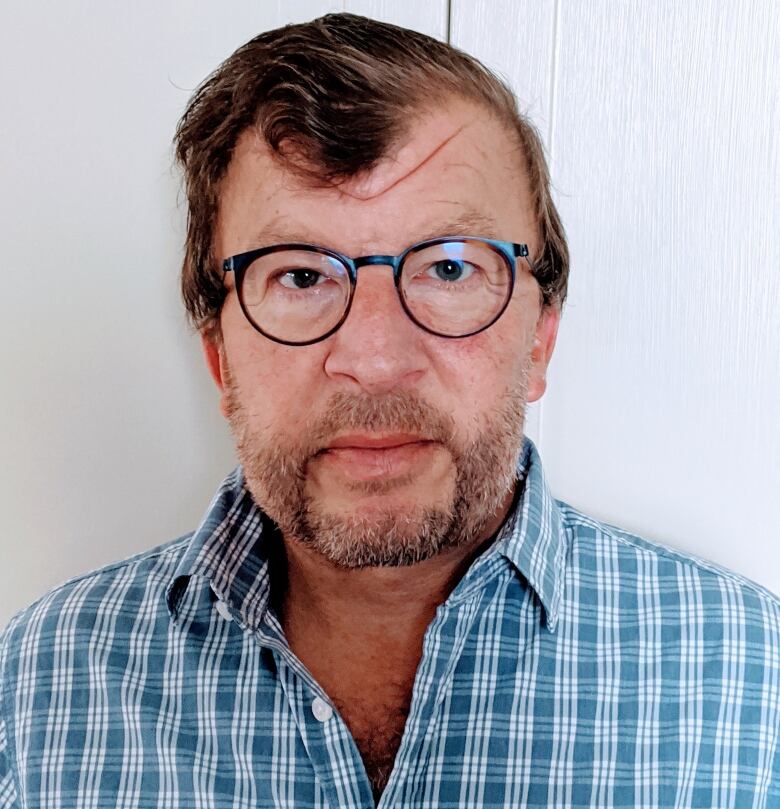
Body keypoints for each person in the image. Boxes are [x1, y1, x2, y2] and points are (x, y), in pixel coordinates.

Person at [1, 12, 778, 808]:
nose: (374, 360)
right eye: (300, 276)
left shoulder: (756, 685)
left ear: (539, 339)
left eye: (448, 266)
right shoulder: (32, 695)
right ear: (219, 355)